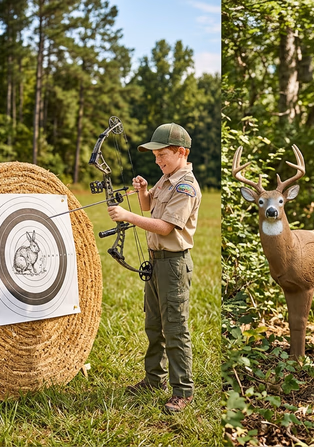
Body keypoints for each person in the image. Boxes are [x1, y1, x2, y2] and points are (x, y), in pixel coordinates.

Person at [107, 123, 201, 414]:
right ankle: (153, 379)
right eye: (155, 156)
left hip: (173, 264)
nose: (158, 160)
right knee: (153, 324)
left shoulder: (185, 185)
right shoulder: (166, 178)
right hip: (156, 263)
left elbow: (164, 226)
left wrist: (127, 215)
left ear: (181, 152)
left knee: (175, 327)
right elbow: (150, 207)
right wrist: (144, 191)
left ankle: (182, 390)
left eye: (163, 155)